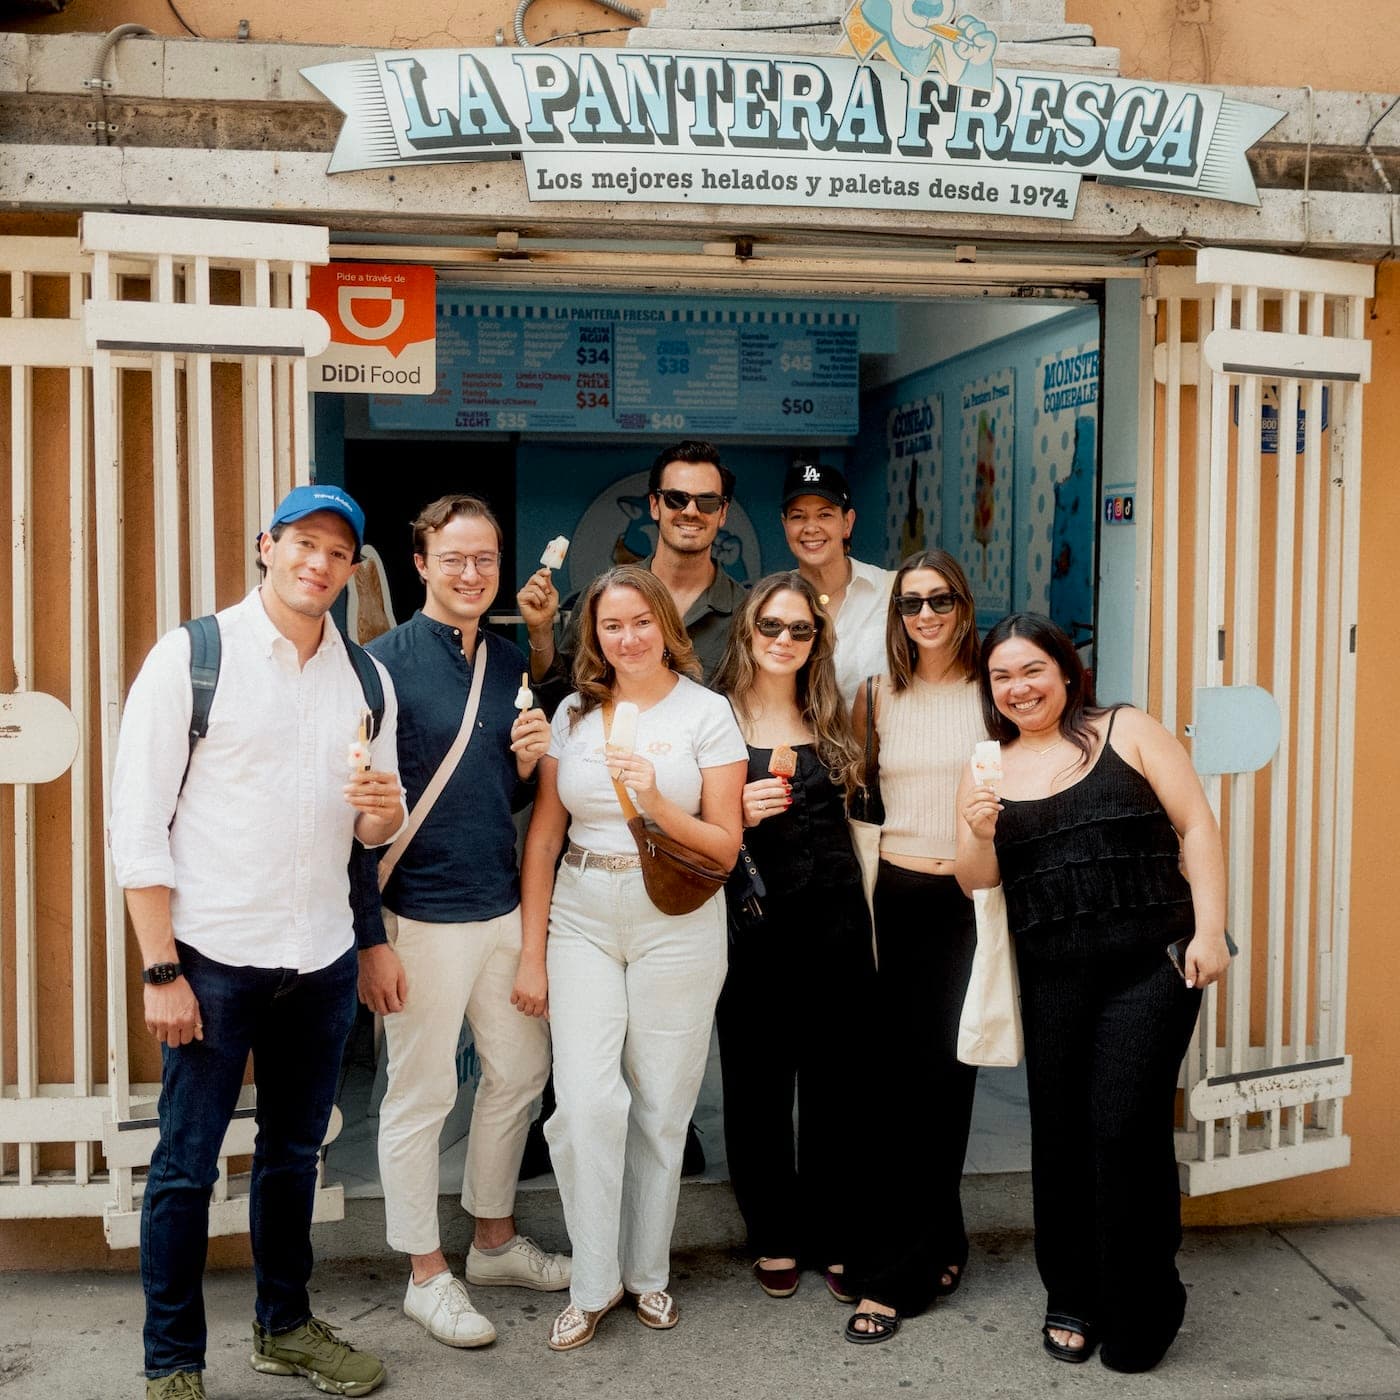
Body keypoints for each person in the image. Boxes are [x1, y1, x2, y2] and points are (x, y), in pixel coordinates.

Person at [111, 485, 405, 1400]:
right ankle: (173, 1363)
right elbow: (138, 827)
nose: (319, 564)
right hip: (210, 957)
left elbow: (364, 835)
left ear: (353, 570)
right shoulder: (194, 657)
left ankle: (284, 1327)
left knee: (293, 1156)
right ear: (266, 547)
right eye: (303, 544)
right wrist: (161, 969)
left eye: (337, 552)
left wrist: (383, 817)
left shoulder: (365, 677)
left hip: (316, 959)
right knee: (186, 1168)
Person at [956, 613, 1231, 1373]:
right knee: (1061, 1136)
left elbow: (1197, 825)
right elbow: (974, 879)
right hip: (1053, 976)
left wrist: (1211, 931)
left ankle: (1143, 1302)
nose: (1018, 688)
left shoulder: (1128, 730)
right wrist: (979, 833)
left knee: (1120, 1128)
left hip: (1152, 966)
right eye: (1002, 677)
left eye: (1031, 670)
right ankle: (1072, 1295)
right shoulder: (987, 766)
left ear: (1066, 670)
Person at [516, 565, 746, 1351]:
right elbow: (544, 836)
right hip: (581, 909)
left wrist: (655, 802)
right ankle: (593, 1279)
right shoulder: (574, 713)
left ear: (665, 627)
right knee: (583, 1104)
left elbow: (724, 843)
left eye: (640, 622)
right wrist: (531, 954)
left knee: (660, 1104)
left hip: (677, 918)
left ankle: (647, 1273)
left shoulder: (708, 713)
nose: (628, 637)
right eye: (612, 626)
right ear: (595, 637)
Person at [359, 494, 569, 1351]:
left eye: (485, 559)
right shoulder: (378, 665)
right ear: (421, 563)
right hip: (422, 913)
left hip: (500, 907)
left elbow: (500, 795)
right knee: (421, 1094)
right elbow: (360, 811)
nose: (473, 574)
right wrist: (370, 937)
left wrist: (525, 765)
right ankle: (424, 1274)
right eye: (454, 559)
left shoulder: (510, 655)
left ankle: (490, 1241)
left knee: (519, 1072)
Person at [710, 572, 875, 1303]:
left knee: (841, 1083)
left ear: (818, 639)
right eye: (770, 627)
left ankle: (838, 1229)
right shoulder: (712, 719)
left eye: (799, 630)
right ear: (746, 631)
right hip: (752, 928)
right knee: (757, 1084)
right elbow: (675, 826)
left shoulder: (837, 715)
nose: (783, 640)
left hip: (838, 921)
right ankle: (773, 1229)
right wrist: (732, 811)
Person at [842, 549, 990, 1342]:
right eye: (910, 604)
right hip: (890, 902)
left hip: (966, 905)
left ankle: (895, 1280)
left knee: (941, 1086)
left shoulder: (996, 691)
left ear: (964, 605)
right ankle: (942, 1239)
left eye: (940, 601)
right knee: (893, 1090)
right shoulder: (876, 697)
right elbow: (859, 795)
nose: (925, 615)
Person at [518, 439, 746, 690]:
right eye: (676, 498)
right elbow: (561, 696)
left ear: (723, 512)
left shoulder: (747, 611)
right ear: (654, 506)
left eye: (708, 501)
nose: (691, 511)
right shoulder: (606, 594)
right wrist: (540, 630)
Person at [779, 460, 895, 705]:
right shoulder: (772, 604)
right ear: (785, 525)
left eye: (825, 515)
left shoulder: (890, 590)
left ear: (847, 523)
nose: (811, 528)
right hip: (795, 743)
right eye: (798, 516)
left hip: (877, 742)